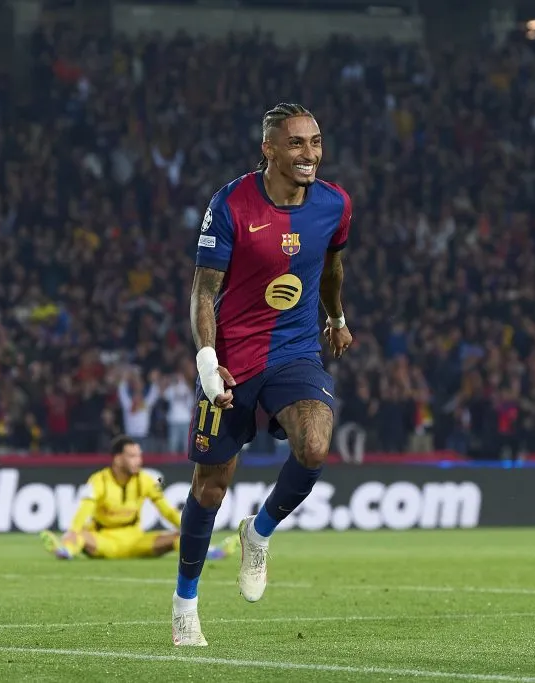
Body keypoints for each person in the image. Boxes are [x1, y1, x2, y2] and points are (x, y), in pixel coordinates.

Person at [172, 103, 353, 646]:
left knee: (316, 445)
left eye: (315, 142)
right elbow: (203, 292)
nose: (309, 154)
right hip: (231, 357)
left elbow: (332, 265)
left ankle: (261, 530)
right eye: (296, 144)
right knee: (210, 488)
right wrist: (208, 361)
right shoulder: (231, 204)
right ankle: (185, 604)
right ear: (268, 149)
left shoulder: (335, 204)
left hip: (294, 352)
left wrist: (337, 317)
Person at [40, 435, 239, 560]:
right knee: (80, 536)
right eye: (132, 456)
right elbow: (84, 510)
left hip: (136, 540)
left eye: (139, 456)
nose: (139, 461)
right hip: (103, 540)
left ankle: (209, 551)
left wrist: (191, 531)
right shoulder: (98, 480)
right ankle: (66, 550)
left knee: (179, 537)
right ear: (117, 459)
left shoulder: (146, 480)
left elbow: (167, 511)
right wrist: (72, 531)